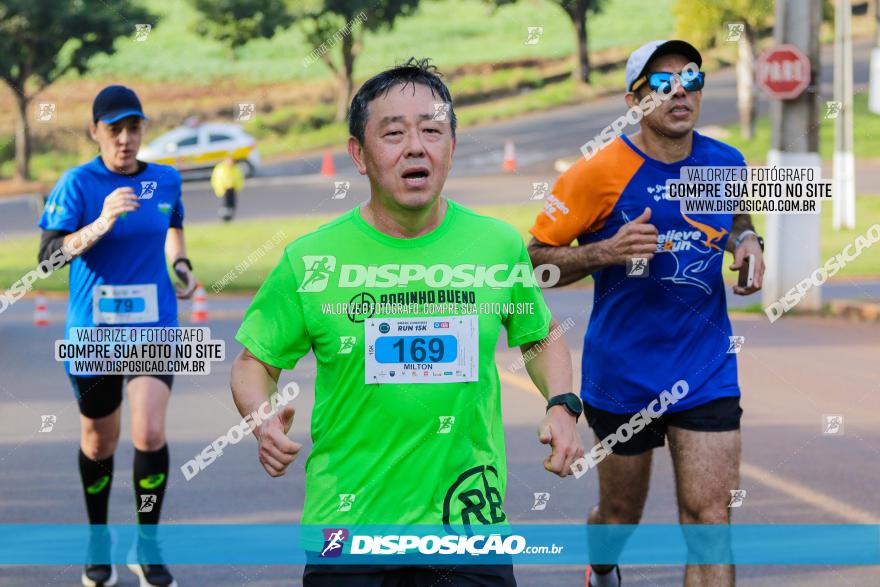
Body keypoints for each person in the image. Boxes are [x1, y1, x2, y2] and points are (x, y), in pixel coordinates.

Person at [230, 57, 585, 587]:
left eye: (432, 131)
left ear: (452, 148)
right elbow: (253, 362)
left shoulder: (497, 244)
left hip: (468, 529)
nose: (415, 146)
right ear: (359, 154)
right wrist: (261, 418)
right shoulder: (312, 259)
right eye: (393, 133)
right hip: (348, 533)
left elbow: (540, 335)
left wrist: (562, 404)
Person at [527, 40, 765, 587]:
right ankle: (602, 565)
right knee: (619, 517)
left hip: (706, 369)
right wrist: (603, 252)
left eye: (691, 78)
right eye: (662, 83)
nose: (679, 91)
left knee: (710, 518)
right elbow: (533, 264)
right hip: (623, 376)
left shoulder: (724, 161)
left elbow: (734, 219)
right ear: (634, 100)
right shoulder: (597, 173)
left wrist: (748, 242)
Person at [38, 85, 197, 587]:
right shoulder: (77, 184)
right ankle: (98, 538)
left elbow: (172, 226)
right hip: (93, 334)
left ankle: (145, 545)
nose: (125, 140)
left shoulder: (165, 180)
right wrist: (102, 221)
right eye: (115, 130)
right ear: (96, 133)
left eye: (134, 128)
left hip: (152, 326)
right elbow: (48, 257)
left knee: (149, 432)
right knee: (98, 441)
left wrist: (182, 265)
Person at [210, 155, 244, 222]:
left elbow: (239, 178)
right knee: (225, 204)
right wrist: (220, 188)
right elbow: (216, 180)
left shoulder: (235, 168)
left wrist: (238, 187)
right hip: (224, 189)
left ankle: (230, 218)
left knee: (232, 204)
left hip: (233, 188)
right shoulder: (221, 168)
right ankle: (224, 218)